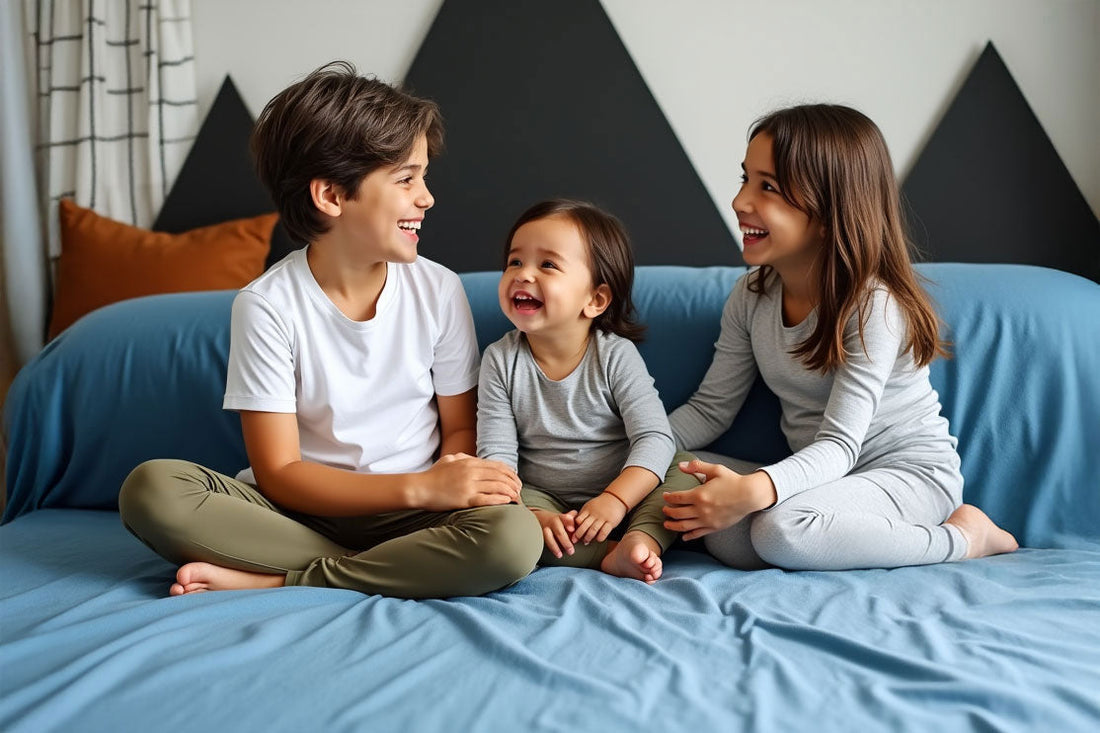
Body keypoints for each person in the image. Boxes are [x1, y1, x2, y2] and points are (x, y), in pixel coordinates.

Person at [117, 61, 543, 599]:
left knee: (512, 538)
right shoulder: (267, 306)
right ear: (332, 197)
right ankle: (379, 568)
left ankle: (282, 578)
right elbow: (279, 472)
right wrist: (421, 487)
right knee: (151, 490)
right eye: (406, 178)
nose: (427, 197)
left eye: (424, 176)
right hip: (300, 513)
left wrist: (445, 483)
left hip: (413, 518)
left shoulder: (438, 289)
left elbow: (460, 427)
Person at [663, 104, 1018, 570]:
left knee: (779, 530)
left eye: (767, 187)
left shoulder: (872, 305)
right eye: (745, 179)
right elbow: (711, 408)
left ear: (831, 210)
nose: (740, 202)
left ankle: (965, 538)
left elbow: (839, 445)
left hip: (905, 476)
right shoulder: (751, 295)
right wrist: (633, 450)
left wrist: (754, 491)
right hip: (820, 480)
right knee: (690, 490)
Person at [477, 199, 699, 584]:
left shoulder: (614, 355)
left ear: (595, 300)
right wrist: (531, 515)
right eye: (515, 262)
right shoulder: (499, 359)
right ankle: (609, 555)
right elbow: (498, 458)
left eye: (547, 264)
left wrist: (616, 499)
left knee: (686, 475)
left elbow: (654, 436)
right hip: (543, 496)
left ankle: (640, 540)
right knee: (499, 516)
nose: (523, 275)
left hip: (625, 493)